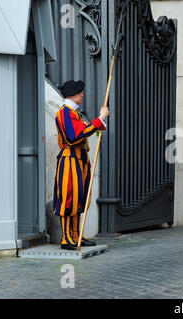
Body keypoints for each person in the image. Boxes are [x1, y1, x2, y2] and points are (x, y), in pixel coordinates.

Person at [53, 80, 109, 250]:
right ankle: (67, 238)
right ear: (72, 94)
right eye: (80, 92)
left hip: (79, 159)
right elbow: (74, 137)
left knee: (80, 198)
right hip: (70, 160)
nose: (82, 95)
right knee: (68, 198)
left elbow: (85, 131)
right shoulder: (64, 113)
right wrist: (100, 119)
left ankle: (76, 236)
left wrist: (97, 124)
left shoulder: (74, 113)